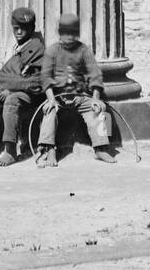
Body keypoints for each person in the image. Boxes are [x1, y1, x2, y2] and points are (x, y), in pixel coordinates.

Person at [36, 12, 113, 167]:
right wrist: (51, 99)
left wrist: (96, 98)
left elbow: (95, 75)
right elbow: (45, 77)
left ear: (77, 33)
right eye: (65, 32)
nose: (69, 36)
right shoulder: (52, 50)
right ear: (59, 33)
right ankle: (49, 149)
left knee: (98, 110)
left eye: (72, 32)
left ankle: (101, 148)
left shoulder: (84, 50)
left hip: (79, 96)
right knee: (49, 112)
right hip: (57, 96)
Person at [0, 7, 44, 166]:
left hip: (29, 93)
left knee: (11, 101)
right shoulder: (15, 45)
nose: (19, 32)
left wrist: (9, 88)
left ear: (31, 28)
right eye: (16, 28)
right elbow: (3, 73)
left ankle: (10, 150)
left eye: (23, 28)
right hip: (12, 87)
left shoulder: (36, 48)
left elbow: (35, 82)